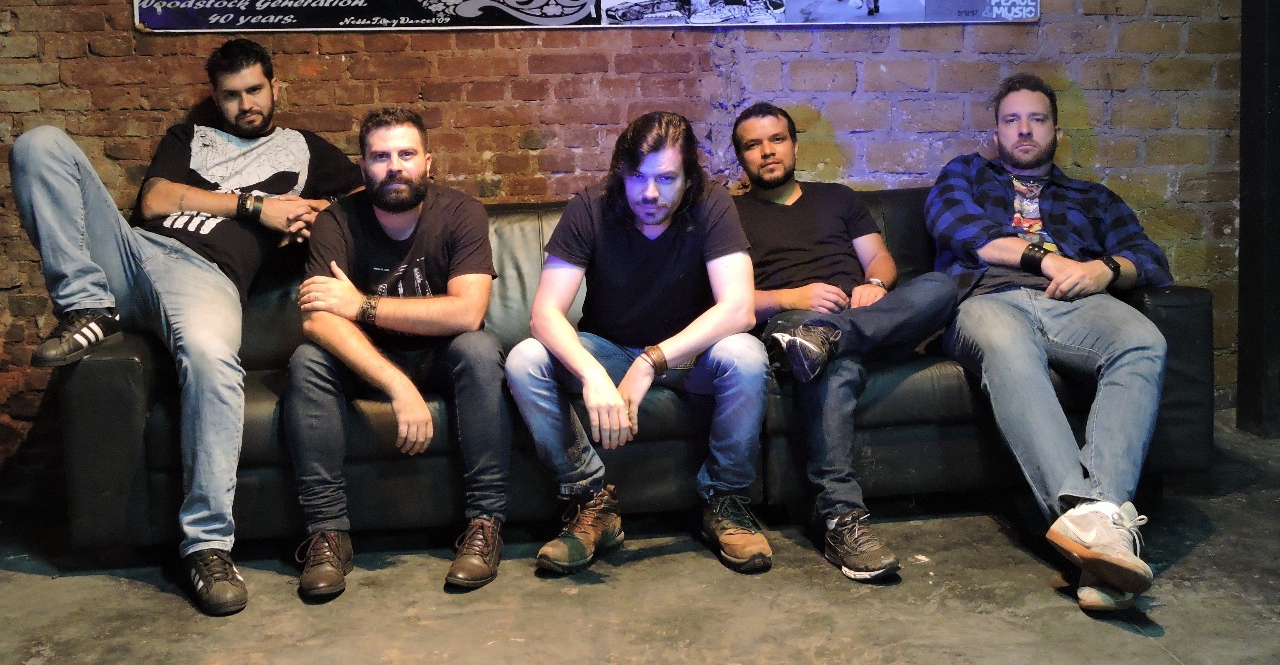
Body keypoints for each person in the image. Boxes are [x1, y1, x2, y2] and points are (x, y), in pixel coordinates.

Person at [9, 39, 362, 616]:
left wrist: (310, 215)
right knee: (39, 144)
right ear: (217, 99)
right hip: (135, 255)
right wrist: (256, 206)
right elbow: (155, 202)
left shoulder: (302, 149)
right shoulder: (189, 138)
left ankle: (207, 546)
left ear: (275, 87)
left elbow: (363, 202)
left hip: (206, 277)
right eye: (232, 95)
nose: (246, 105)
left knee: (213, 360)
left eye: (255, 90)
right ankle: (88, 305)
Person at [924, 73, 1171, 614]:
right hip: (988, 297)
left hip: (1073, 301)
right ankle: (1098, 531)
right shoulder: (966, 175)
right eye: (1011, 120)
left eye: (1036, 119)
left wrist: (1106, 269)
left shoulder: (1092, 197)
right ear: (996, 131)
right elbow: (960, 229)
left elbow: (1149, 258)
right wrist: (1046, 259)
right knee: (1009, 348)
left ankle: (1096, 532)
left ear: (1057, 131)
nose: (1024, 129)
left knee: (1142, 340)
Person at [504, 112, 771, 575]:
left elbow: (739, 309)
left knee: (746, 354)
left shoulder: (711, 204)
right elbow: (544, 313)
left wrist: (652, 361)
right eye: (637, 178)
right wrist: (592, 375)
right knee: (525, 359)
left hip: (692, 356)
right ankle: (592, 501)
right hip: (609, 350)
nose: (649, 193)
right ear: (620, 173)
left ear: (688, 177)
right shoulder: (590, 207)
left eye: (666, 179)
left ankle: (725, 501)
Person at [285, 108, 507, 599]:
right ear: (363, 166)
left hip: (443, 356)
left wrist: (361, 305)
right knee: (307, 361)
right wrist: (398, 385)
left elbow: (468, 312)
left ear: (428, 162)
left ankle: (484, 524)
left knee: (480, 348)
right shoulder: (337, 221)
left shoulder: (462, 213)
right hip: (368, 361)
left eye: (406, 154)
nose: (395, 166)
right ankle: (327, 535)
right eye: (381, 156)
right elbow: (317, 319)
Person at [731, 103, 956, 582]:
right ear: (741, 157)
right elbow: (729, 300)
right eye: (753, 145)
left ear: (794, 145)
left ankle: (832, 338)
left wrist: (874, 284)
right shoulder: (730, 214)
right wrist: (792, 297)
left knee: (940, 286)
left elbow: (879, 259)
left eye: (777, 139)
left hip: (863, 315)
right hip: (794, 322)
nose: (767, 151)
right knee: (828, 364)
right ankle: (839, 518)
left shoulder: (837, 197)